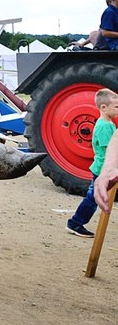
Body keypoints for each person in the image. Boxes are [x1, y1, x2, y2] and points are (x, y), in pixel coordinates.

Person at [65, 88, 118, 236]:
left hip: (101, 167)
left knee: (94, 197)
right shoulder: (104, 126)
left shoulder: (108, 123)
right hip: (102, 168)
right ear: (103, 107)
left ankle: (75, 222)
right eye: (116, 107)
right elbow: (110, 149)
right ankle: (75, 223)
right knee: (93, 198)